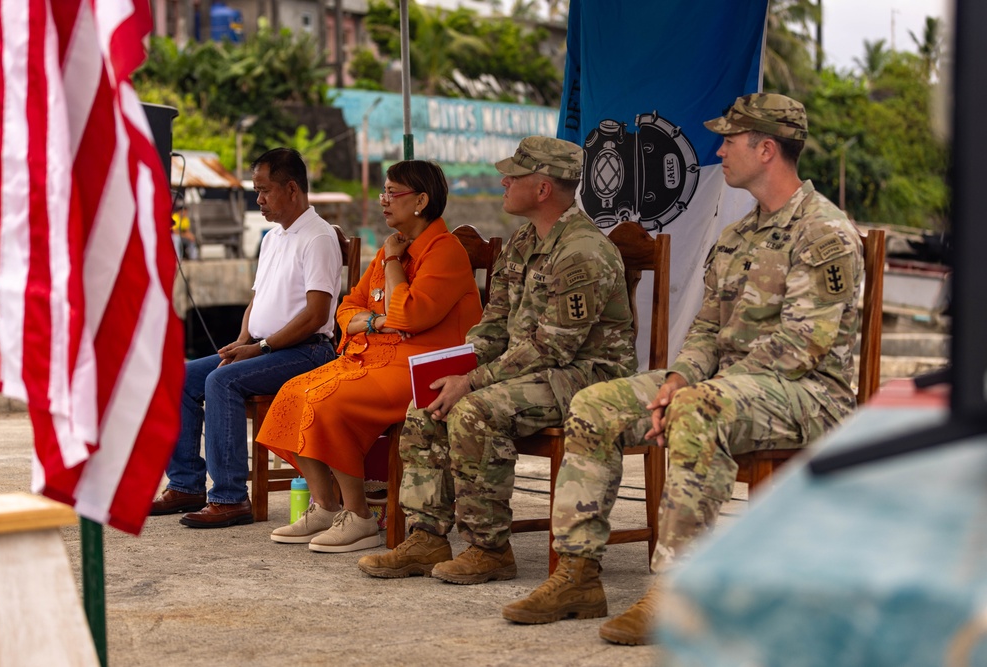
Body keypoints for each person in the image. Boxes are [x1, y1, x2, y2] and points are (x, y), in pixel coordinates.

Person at [501, 94, 864, 645]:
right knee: (594, 404)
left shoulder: (824, 231)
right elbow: (704, 333)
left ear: (766, 149)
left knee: (698, 407)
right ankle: (577, 574)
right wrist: (676, 377)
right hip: (731, 387)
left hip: (808, 394)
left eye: (730, 141)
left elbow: (802, 347)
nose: (719, 150)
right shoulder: (737, 236)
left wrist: (696, 389)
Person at [357, 136, 637, 583]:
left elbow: (554, 347)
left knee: (474, 411)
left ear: (543, 188)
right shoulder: (524, 241)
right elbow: (495, 324)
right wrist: (456, 367)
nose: (503, 181)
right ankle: (427, 536)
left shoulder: (583, 251)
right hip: (531, 369)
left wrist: (471, 382)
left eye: (515, 175)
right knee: (426, 402)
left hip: (585, 377)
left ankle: (489, 548)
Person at [255, 160, 483, 552]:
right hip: (371, 356)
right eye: (384, 192)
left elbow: (409, 315)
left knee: (328, 402)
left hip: (418, 368)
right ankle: (326, 505)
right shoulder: (389, 248)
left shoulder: (444, 252)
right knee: (290, 394)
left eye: (393, 193)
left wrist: (393, 266)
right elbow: (347, 308)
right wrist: (376, 322)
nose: (384, 201)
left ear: (421, 201)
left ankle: (359, 515)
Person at [150, 148, 342, 528]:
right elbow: (256, 300)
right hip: (264, 346)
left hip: (307, 351)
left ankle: (230, 497)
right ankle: (187, 484)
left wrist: (261, 347)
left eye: (264, 190)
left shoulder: (318, 237)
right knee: (177, 377)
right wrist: (242, 340)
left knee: (221, 381)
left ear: (292, 189)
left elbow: (317, 315)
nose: (259, 200)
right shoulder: (273, 238)